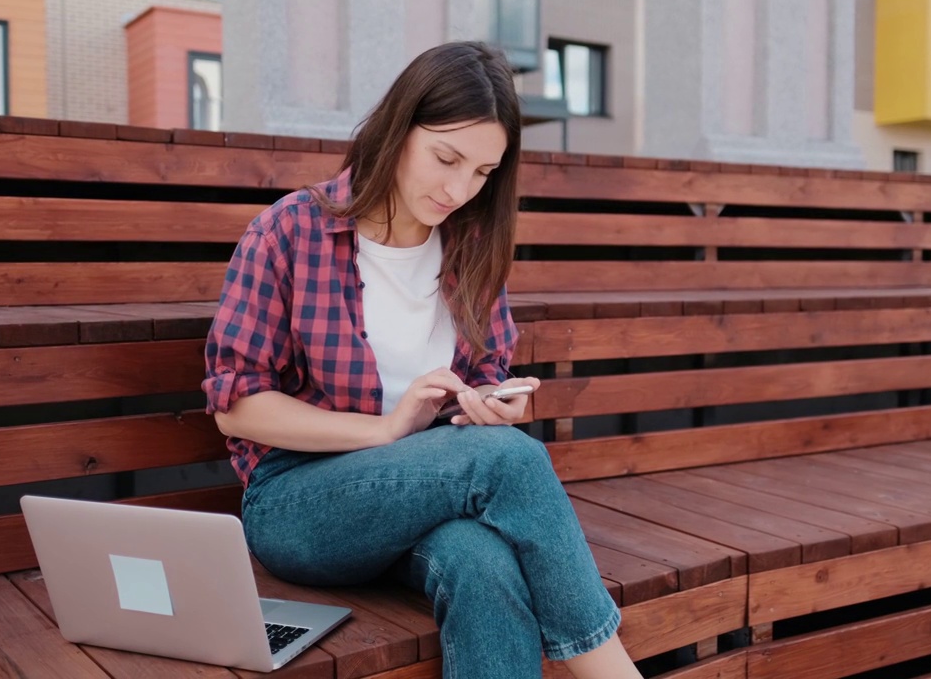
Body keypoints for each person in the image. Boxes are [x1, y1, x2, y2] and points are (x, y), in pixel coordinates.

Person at [202, 41, 641, 679]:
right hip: (299, 503)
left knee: (483, 563)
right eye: (446, 157)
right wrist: (385, 429)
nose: (459, 189)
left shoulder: (471, 248)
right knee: (510, 460)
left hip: (430, 501)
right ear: (400, 127)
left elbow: (484, 376)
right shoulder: (289, 232)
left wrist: (490, 404)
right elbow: (236, 408)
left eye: (483, 173)